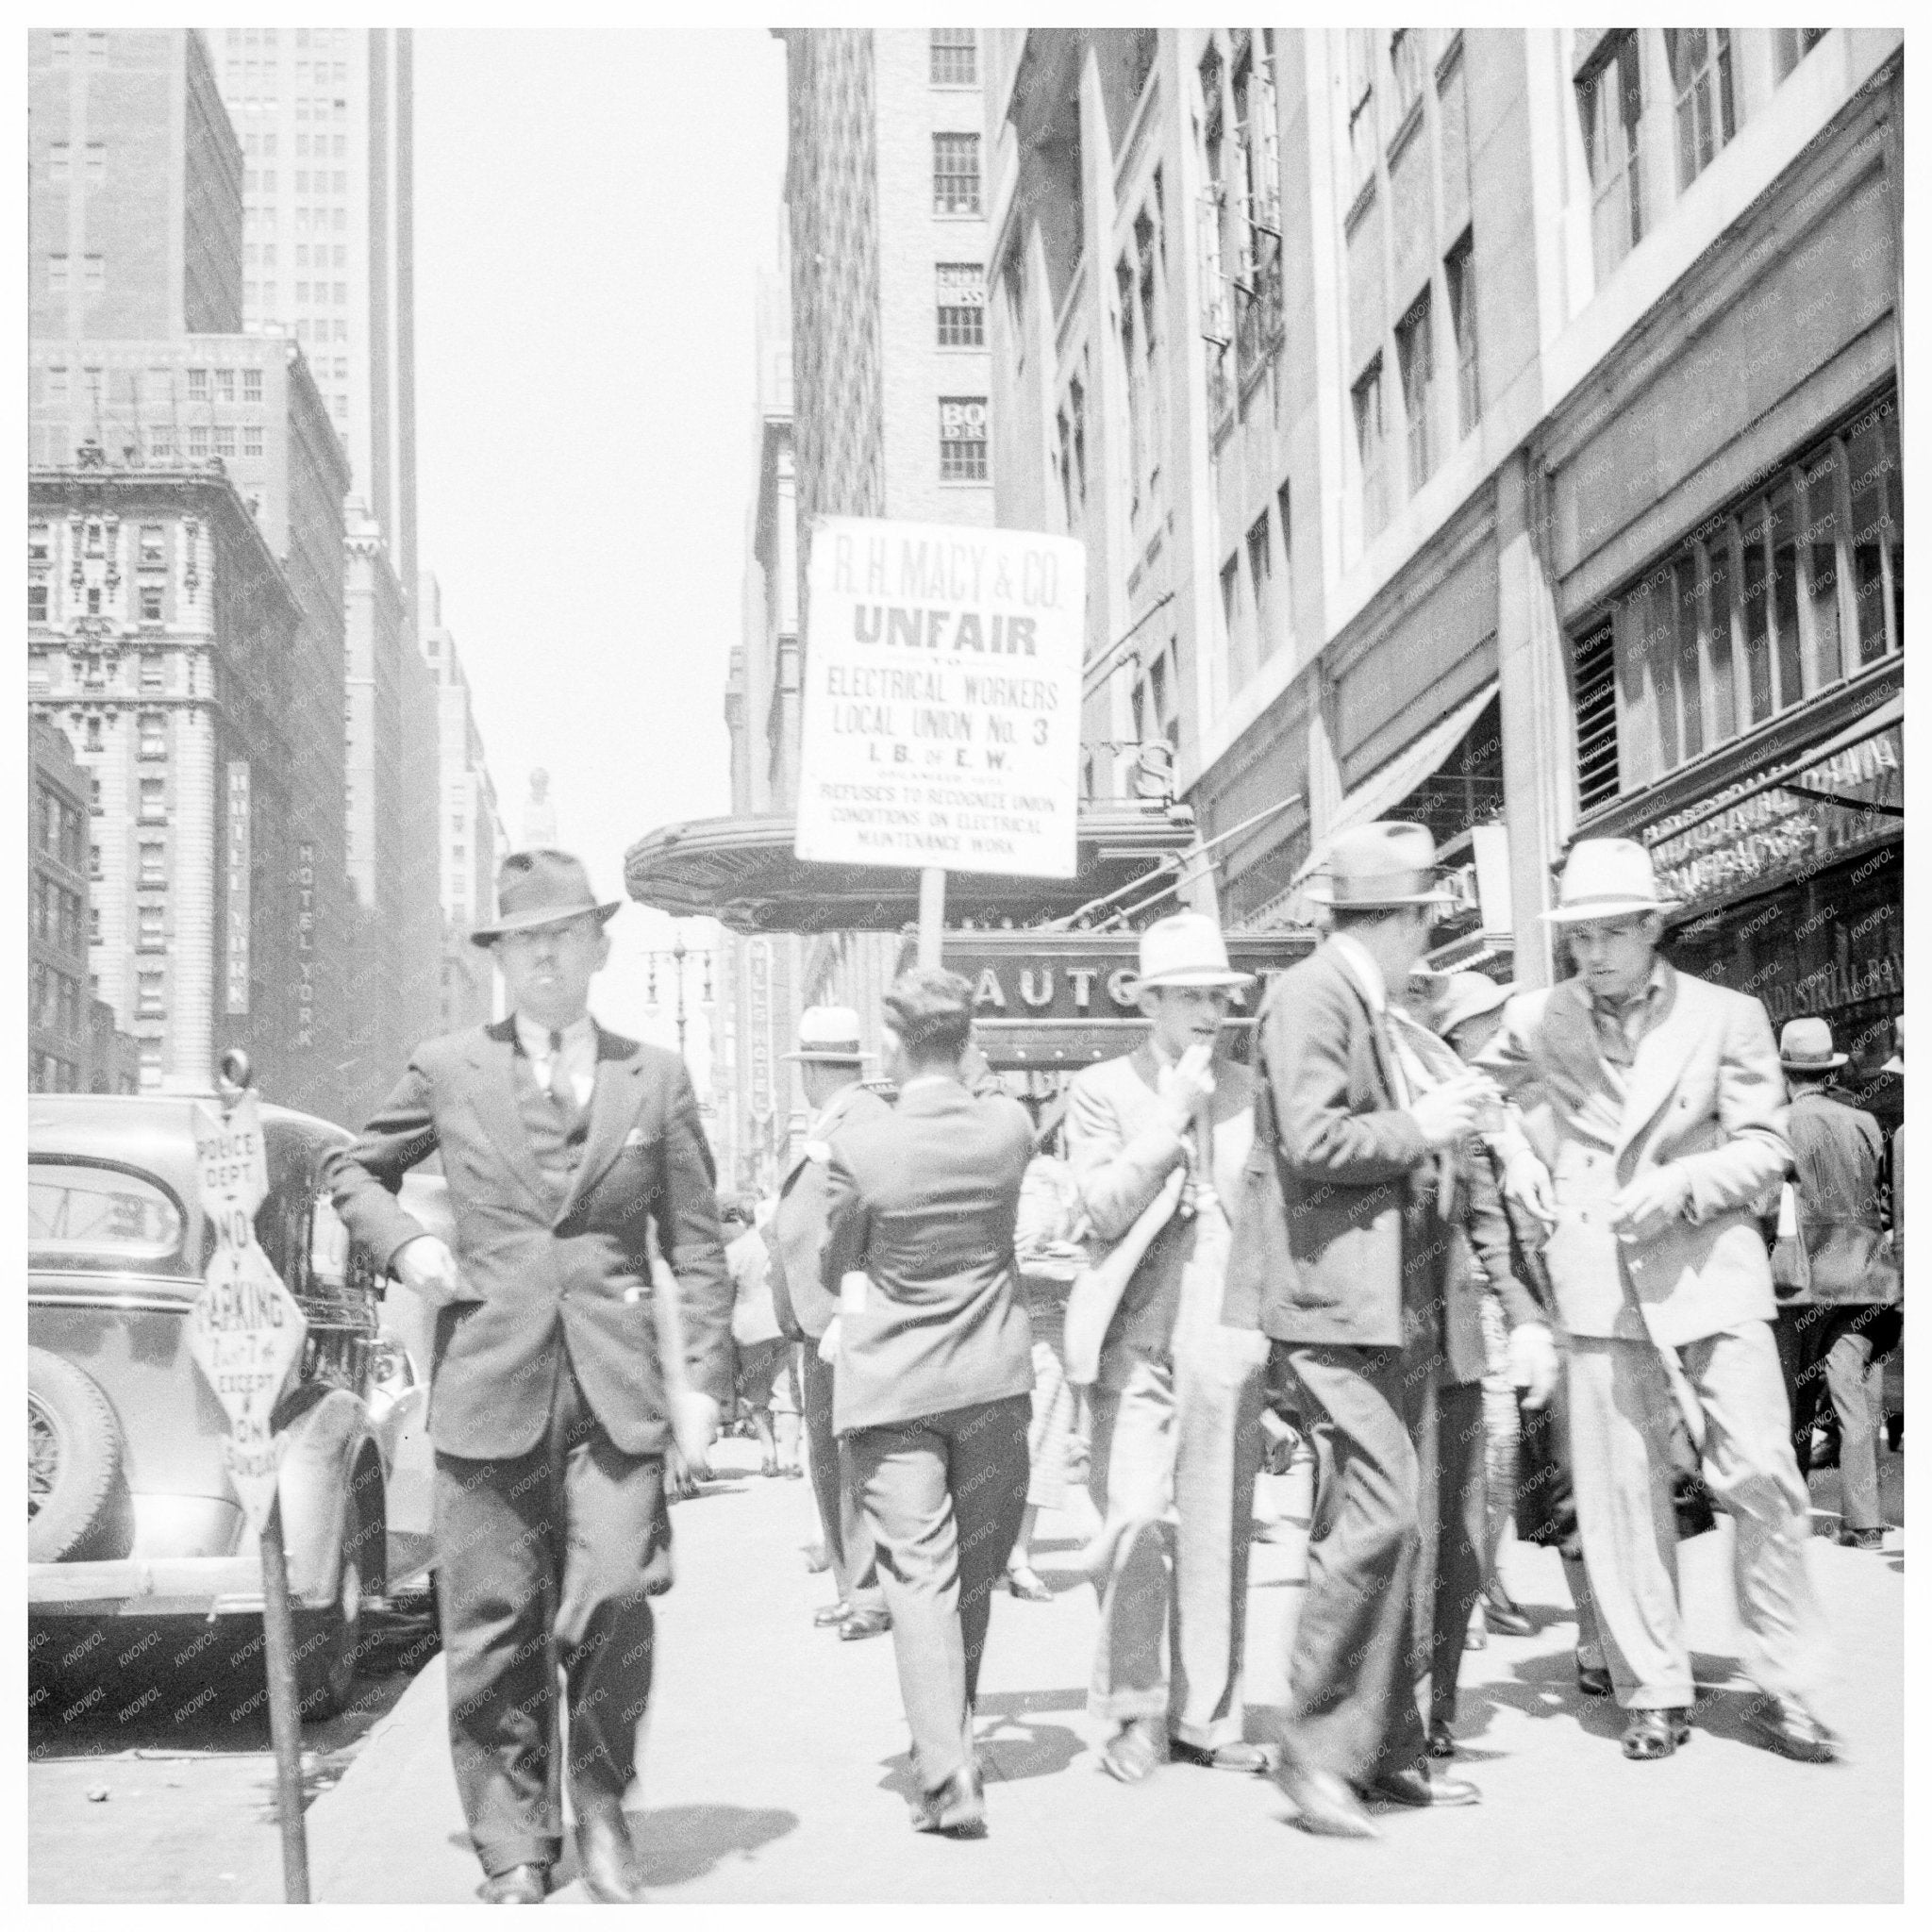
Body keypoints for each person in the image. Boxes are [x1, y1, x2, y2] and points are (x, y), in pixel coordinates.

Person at [325, 849, 732, 1904]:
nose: (545, 955)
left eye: (563, 935)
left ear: (598, 946)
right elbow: (350, 1168)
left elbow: (694, 1245)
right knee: (492, 1623)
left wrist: (701, 1383)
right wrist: (407, 1245)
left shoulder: (657, 1075)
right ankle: (513, 1838)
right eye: (523, 940)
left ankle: (599, 1803)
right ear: (501, 958)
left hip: (616, 1392)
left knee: (611, 1600)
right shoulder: (448, 1066)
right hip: (486, 1381)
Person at [1224, 823, 1554, 1840]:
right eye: (1427, 924)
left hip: (1383, 1309)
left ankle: (1385, 1750)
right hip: (1333, 1310)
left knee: (1402, 1529)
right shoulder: (1315, 995)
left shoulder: (1357, 1000)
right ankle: (1316, 1751)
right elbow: (1315, 1140)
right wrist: (1429, 1124)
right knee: (1374, 1520)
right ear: (1404, 918)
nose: (1429, 947)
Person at [1478, 838, 1835, 1765]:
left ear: (1650, 926)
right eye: (1575, 936)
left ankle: (1786, 1682)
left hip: (1709, 1273)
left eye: (1607, 933)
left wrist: (1681, 1184)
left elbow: (1766, 1146)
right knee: (1617, 1496)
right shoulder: (1535, 1017)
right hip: (1594, 1279)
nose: (1589, 953)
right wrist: (1518, 1151)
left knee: (1762, 1474)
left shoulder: (1728, 1015)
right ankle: (1651, 1687)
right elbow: (1470, 1090)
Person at [821, 968, 1036, 1839]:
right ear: (969, 1038)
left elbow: (838, 1259)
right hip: (992, 1379)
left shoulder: (862, 1141)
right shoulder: (1010, 1128)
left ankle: (947, 1774)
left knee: (919, 1576)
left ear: (894, 1045)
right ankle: (957, 1734)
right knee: (972, 1573)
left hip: (894, 1390)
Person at [1063, 911, 1274, 1784]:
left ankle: (1207, 1716)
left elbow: (1267, 1216)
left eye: (1216, 996)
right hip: (1135, 1333)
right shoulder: (1101, 1089)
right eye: (1186, 995)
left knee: (1218, 1524)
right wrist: (1170, 1119)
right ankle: (1132, 1708)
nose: (1205, 1010)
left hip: (1224, 1331)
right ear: (1147, 1002)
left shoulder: (1250, 1091)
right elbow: (1096, 1210)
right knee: (1137, 1520)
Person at [1382, 973, 1553, 1761]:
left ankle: (1437, 1708)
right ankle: (1395, 1719)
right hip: (1381, 1348)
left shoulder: (1472, 1116)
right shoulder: (1383, 1107)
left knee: (1454, 1527)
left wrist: (1522, 1319)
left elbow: (1488, 1228)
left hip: (1458, 1344)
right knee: (1396, 1534)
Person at [1429, 972, 1607, 1698]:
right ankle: (1576, 1628)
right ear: (1459, 1039)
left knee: (1615, 1475)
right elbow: (1480, 1230)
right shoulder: (1468, 1121)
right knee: (1535, 1467)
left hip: (1582, 1307)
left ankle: (1620, 1632)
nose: (1502, 1034)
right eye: (1487, 1023)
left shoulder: (1552, 1103)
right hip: (1513, 1314)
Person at [766, 1008, 892, 1638]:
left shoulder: (863, 1118)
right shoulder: (838, 1118)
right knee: (830, 1459)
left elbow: (870, 1215)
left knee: (850, 1461)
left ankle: (867, 1594)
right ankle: (853, 1589)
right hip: (819, 1322)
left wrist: (851, 1304)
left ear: (811, 1068)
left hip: (845, 1321)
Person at [1770, 1018, 1900, 1551]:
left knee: (1794, 1400)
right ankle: (1865, 1522)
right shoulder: (1865, 1122)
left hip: (1802, 1281)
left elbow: (1760, 1206)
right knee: (1855, 1401)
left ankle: (1792, 1515)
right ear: (1830, 1069)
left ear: (1785, 1071)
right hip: (1865, 1277)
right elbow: (1885, 1193)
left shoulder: (1775, 1124)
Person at [1008, 1102, 1086, 1601]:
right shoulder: (979, 1175)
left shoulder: (1057, 1176)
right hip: (992, 1322)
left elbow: (1081, 1230)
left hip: (1050, 1315)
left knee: (1040, 1437)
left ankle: (1018, 1554)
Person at [724, 1196, 803, 1478]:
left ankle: (768, 1453)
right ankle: (791, 1459)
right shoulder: (782, 1245)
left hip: (748, 1332)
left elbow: (726, 1295)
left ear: (745, 1220)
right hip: (784, 1327)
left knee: (755, 1395)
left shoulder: (735, 1250)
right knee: (788, 1393)